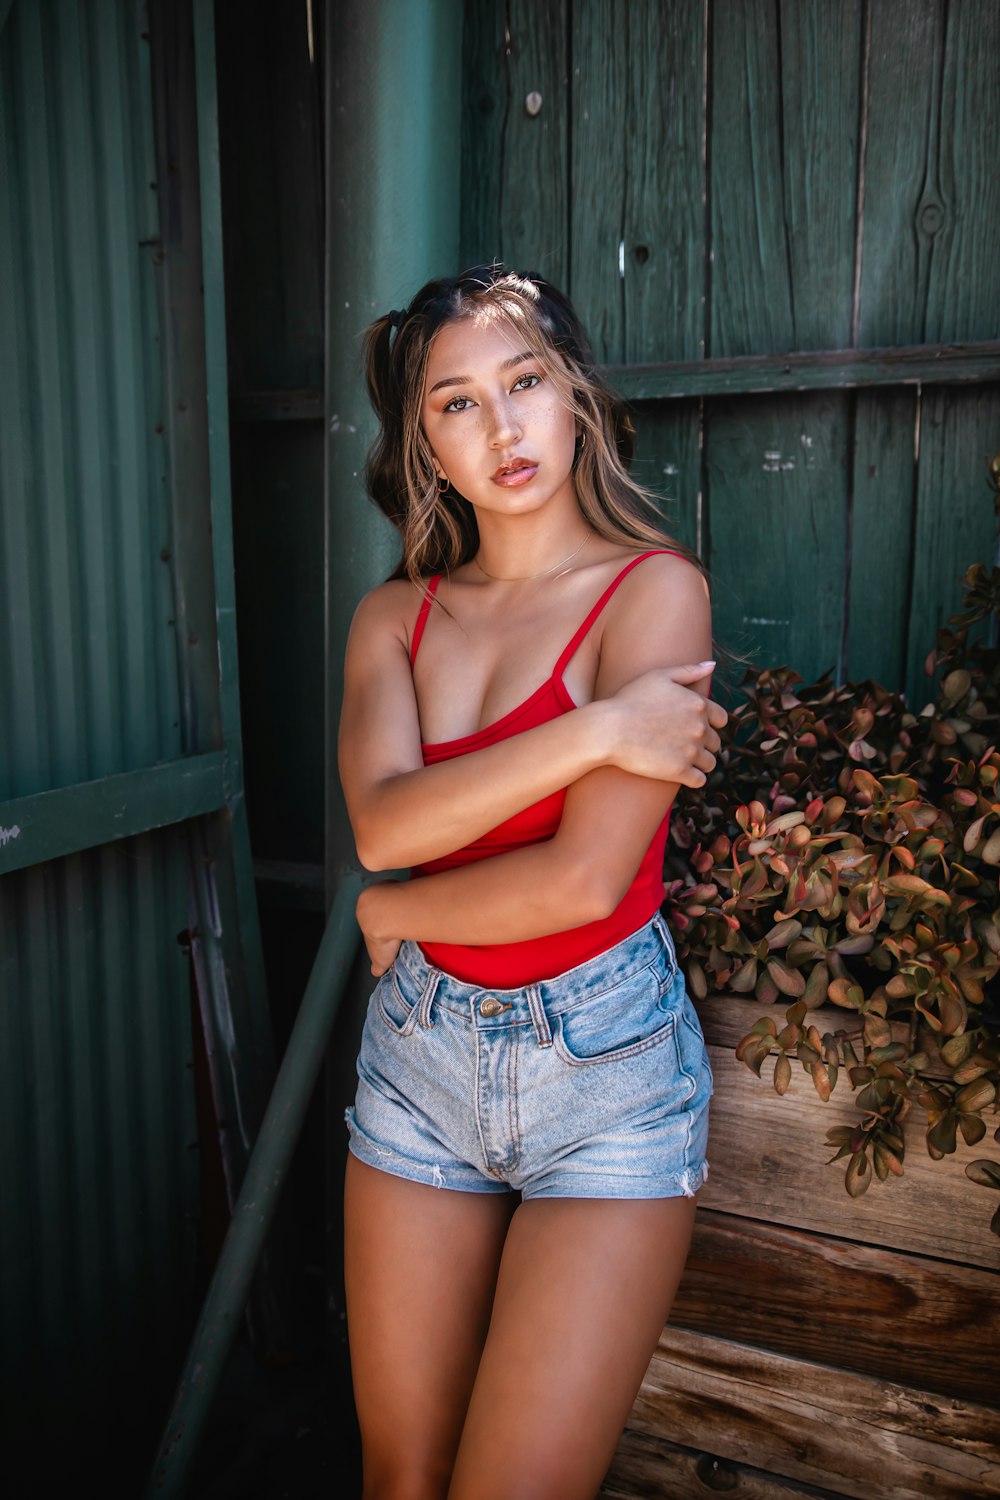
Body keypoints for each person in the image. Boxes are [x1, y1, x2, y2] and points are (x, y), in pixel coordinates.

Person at [338, 266, 726, 1500]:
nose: (503, 430)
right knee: (402, 1479)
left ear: (577, 400)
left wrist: (398, 908)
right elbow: (382, 818)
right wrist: (593, 730)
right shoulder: (392, 621)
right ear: (424, 443)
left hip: (604, 1075)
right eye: (457, 404)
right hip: (419, 1068)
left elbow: (580, 882)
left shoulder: (652, 590)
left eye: (525, 384)